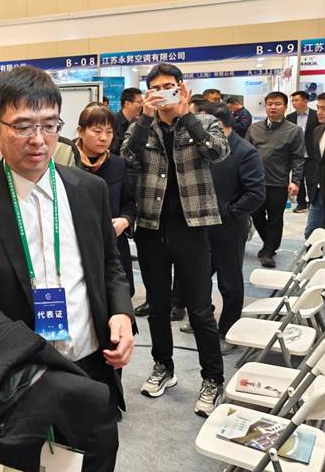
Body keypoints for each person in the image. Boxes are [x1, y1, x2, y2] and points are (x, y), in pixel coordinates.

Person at [0, 65, 134, 470]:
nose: (39, 139)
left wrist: (121, 313)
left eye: (49, 125)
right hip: (18, 375)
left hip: (89, 364)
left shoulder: (89, 189)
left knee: (93, 461)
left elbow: (109, 265)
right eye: (23, 126)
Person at [120, 62, 228, 417]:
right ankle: (163, 366)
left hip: (192, 227)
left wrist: (186, 116)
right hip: (151, 228)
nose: (162, 93)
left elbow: (218, 153)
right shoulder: (143, 127)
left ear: (181, 88)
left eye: (169, 87)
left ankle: (213, 378)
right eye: (156, 88)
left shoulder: (204, 122)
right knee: (157, 306)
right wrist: (144, 118)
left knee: (199, 309)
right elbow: (127, 158)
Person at [198, 102, 265, 353]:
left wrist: (228, 212)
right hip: (201, 227)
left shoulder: (245, 152)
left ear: (218, 125)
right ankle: (204, 322)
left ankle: (228, 331)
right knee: (198, 279)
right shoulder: (204, 148)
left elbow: (255, 194)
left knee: (230, 284)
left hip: (228, 229)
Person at [75, 103, 137, 296]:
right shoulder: (67, 162)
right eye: (97, 131)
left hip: (113, 245)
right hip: (77, 246)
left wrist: (125, 220)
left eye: (109, 132)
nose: (104, 137)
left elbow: (130, 203)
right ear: (80, 131)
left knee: (119, 295)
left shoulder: (118, 164)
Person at [246, 91, 305, 268]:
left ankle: (268, 251)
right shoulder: (254, 128)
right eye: (269, 104)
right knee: (256, 215)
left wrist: (295, 181)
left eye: (277, 104)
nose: (273, 107)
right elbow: (245, 153)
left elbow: (298, 158)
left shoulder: (294, 131)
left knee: (275, 219)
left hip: (278, 183)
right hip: (254, 182)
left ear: (285, 107)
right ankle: (271, 244)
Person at [286, 91, 319, 213]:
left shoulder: (315, 115)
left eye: (297, 100)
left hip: (311, 154)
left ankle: (312, 203)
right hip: (296, 154)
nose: (294, 103)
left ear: (306, 101)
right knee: (297, 180)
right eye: (292, 101)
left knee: (311, 180)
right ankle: (301, 204)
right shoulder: (290, 117)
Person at [304, 92, 325, 239]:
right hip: (317, 191)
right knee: (311, 233)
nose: (319, 112)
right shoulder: (318, 131)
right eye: (318, 108)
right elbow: (315, 161)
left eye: (324, 108)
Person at [111, 87, 143, 155]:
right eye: (139, 102)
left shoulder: (134, 123)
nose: (142, 105)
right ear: (127, 103)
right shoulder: (114, 123)